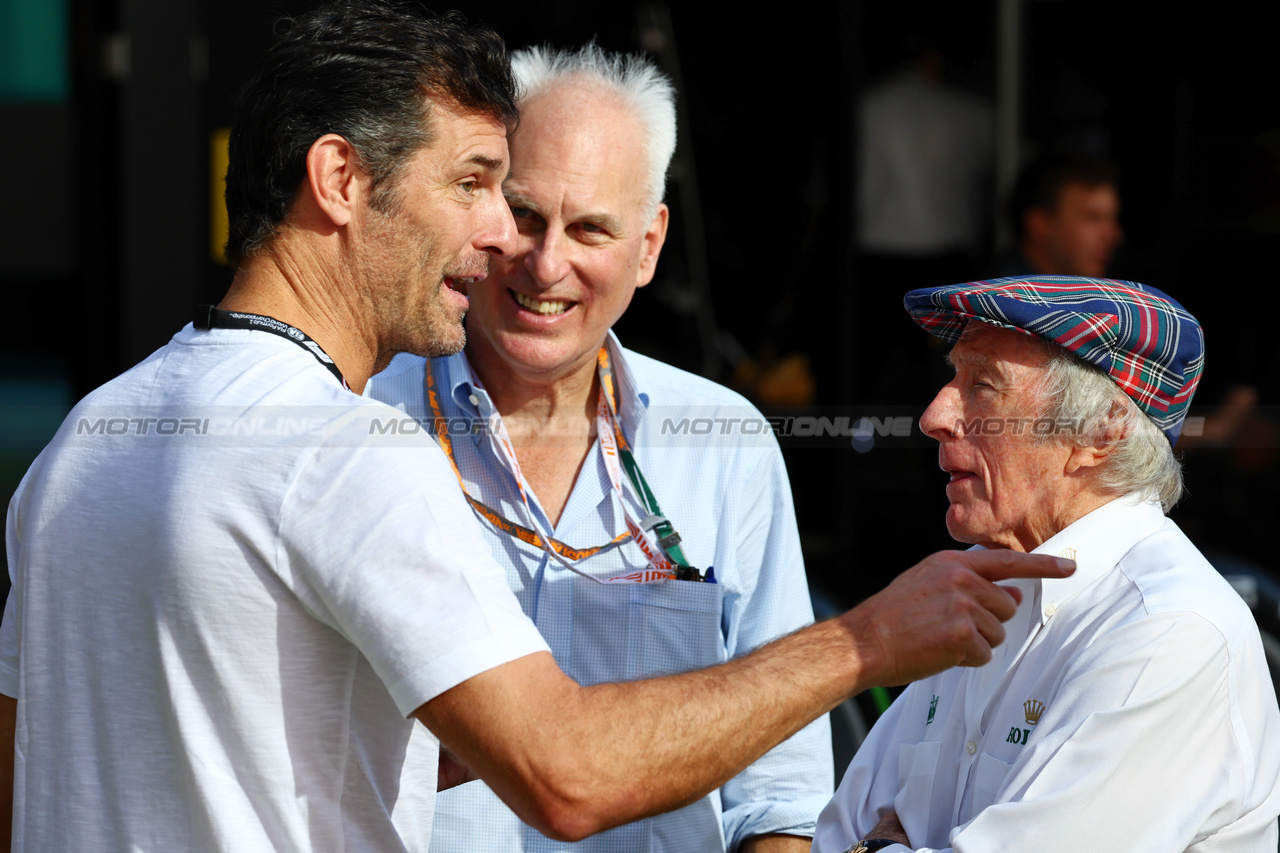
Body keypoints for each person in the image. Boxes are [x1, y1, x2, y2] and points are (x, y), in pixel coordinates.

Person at [0, 4, 1074, 850]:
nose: (497, 240)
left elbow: (41, 774)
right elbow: (565, 780)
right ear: (339, 180)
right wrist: (869, 638)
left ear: (650, 244)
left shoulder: (86, 440)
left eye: (574, 221)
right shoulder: (350, 453)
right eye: (476, 185)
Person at [367, 45, 824, 852]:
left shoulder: (724, 442)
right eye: (525, 215)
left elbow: (781, 790)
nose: (548, 264)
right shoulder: (362, 415)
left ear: (648, 247)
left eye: (590, 229)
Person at [813, 275, 1280, 852]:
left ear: (1099, 432)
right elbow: (831, 835)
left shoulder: (1170, 628)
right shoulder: (977, 589)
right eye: (951, 377)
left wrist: (878, 846)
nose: (934, 415)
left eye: (983, 385)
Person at [998, 152, 1123, 278]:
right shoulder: (994, 295)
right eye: (1092, 218)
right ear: (1040, 223)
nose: (1112, 235)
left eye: (1113, 219)